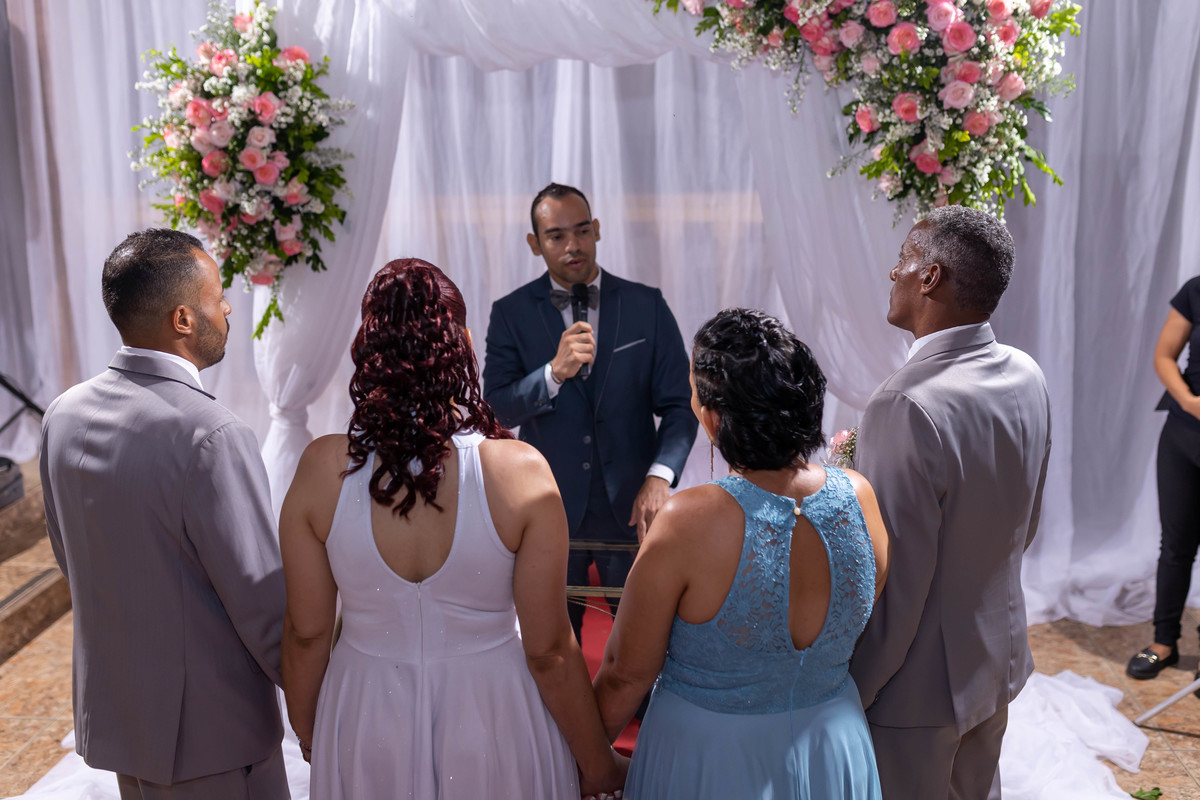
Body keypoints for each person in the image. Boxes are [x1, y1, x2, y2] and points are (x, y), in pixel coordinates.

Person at [280, 258, 627, 799]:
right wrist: (598, 764)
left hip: (365, 712)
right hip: (495, 714)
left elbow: (307, 635)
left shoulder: (322, 468)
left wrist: (312, 734)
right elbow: (550, 651)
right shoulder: (519, 470)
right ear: (461, 342)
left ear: (368, 349)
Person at [593, 308, 890, 798]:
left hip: (711, 758)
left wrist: (584, 758)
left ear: (713, 417)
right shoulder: (860, 496)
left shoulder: (688, 520)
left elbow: (626, 674)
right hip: (833, 747)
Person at [39, 229, 289, 799]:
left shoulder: (63, 414)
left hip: (120, 721)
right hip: (213, 733)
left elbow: (71, 559)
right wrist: (318, 704)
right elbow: (263, 608)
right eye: (218, 296)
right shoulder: (212, 433)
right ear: (183, 319)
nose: (228, 309)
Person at [849, 206, 1052, 800]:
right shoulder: (1027, 373)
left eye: (904, 259)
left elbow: (896, 579)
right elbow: (1024, 525)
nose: (894, 272)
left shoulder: (905, 403)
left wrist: (851, 689)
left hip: (917, 689)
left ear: (930, 277)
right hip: (997, 656)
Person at [484, 183, 697, 643]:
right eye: (556, 236)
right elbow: (496, 407)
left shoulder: (646, 305)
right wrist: (552, 374)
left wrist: (659, 477)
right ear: (534, 243)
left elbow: (681, 405)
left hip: (632, 510)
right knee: (551, 648)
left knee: (646, 644)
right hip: (548, 509)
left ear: (597, 229)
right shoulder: (510, 313)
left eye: (582, 230)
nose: (573, 245)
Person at [1126, 276, 1200, 681]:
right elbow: (1165, 355)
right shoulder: (1196, 290)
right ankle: (1164, 642)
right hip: (1184, 433)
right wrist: (1188, 401)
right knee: (1175, 545)